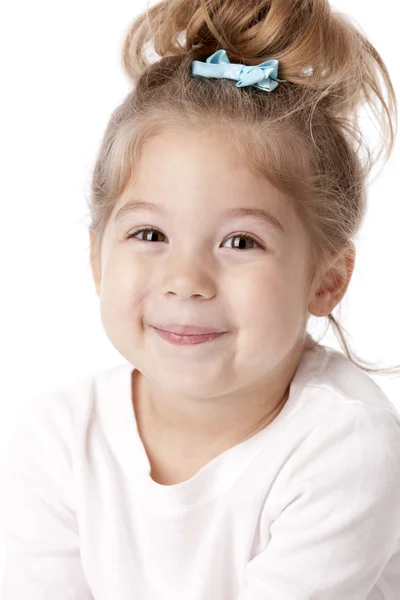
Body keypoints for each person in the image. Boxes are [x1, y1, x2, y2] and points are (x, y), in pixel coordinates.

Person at [1, 0, 400, 598]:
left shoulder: (343, 445)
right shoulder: (58, 438)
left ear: (327, 280)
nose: (186, 278)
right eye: (150, 235)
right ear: (96, 258)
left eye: (241, 241)